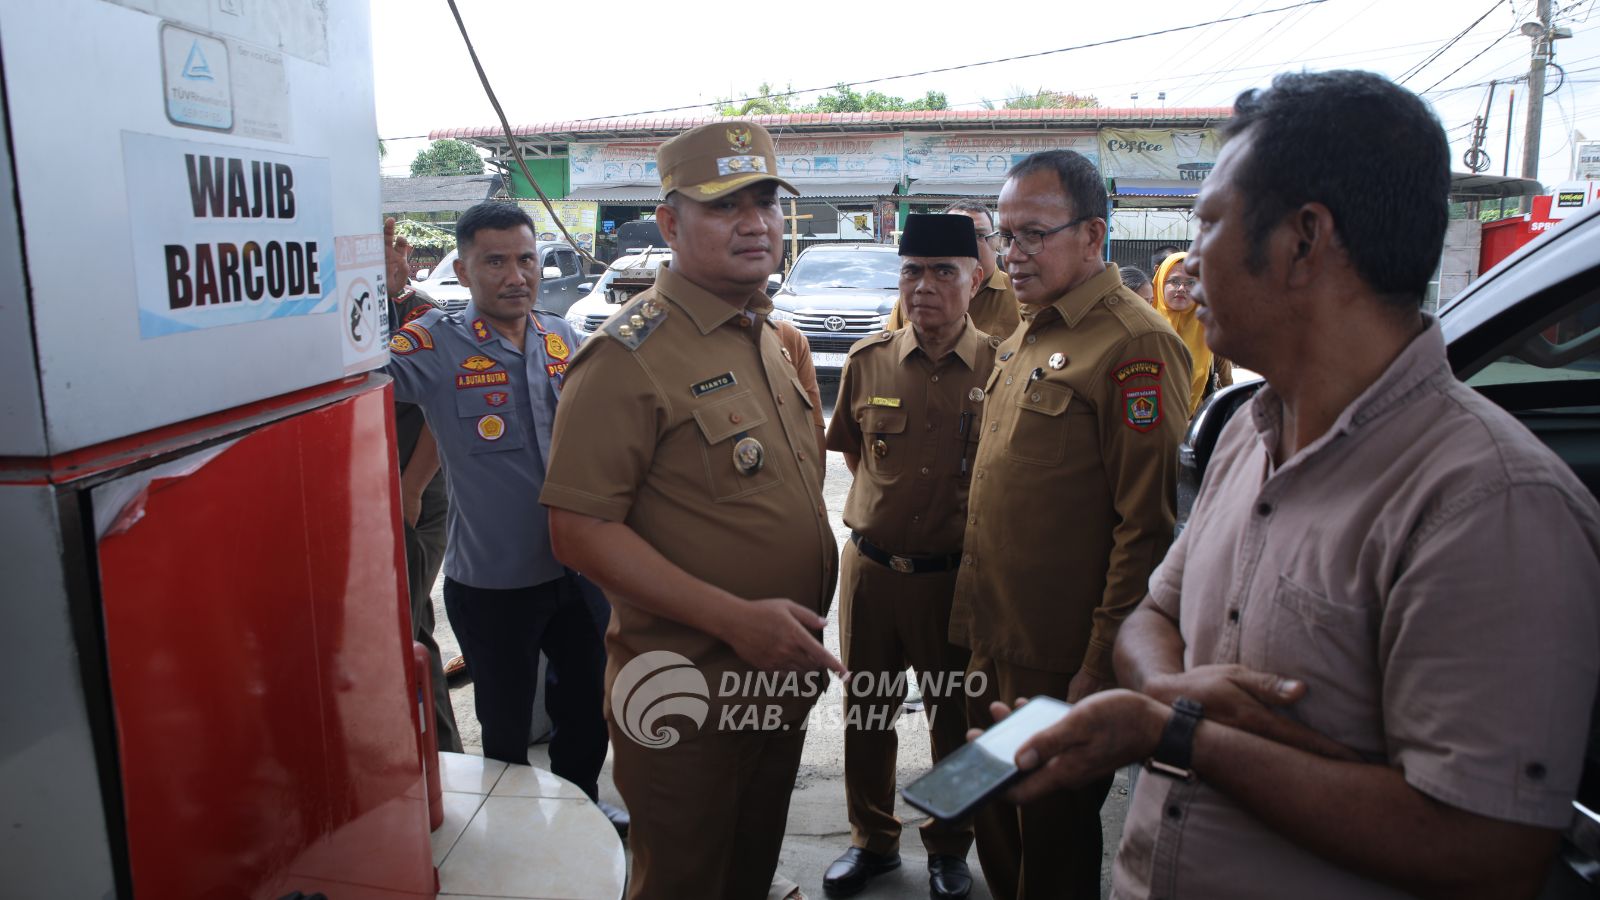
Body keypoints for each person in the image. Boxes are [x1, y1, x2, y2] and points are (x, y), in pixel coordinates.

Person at [985, 70, 1600, 900]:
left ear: (1305, 239)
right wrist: (1178, 695)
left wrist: (1177, 731)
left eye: (1207, 225)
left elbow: (1485, 848)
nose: (1185, 265)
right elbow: (1155, 615)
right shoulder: (1247, 431)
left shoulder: (1490, 503)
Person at [540, 120, 844, 900]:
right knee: (682, 883)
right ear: (671, 224)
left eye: (767, 201)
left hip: (773, 682)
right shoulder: (627, 357)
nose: (756, 222)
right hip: (684, 700)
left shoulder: (768, 336)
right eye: (725, 206)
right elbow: (577, 530)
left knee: (746, 872)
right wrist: (734, 619)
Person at [947, 149, 1191, 900]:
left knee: (1052, 839)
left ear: (1092, 236)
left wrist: (1098, 663)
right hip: (992, 634)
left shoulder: (1135, 346)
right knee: (990, 813)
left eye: (1032, 236)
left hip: (1059, 657)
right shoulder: (1027, 332)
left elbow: (1145, 527)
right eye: (1004, 235)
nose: (1012, 256)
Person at [384, 202, 625, 833]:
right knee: (506, 723)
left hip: (578, 573)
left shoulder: (561, 337)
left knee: (583, 708)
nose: (516, 275)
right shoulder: (433, 342)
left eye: (526, 259)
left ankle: (579, 814)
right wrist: (374, 298)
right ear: (462, 271)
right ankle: (515, 833)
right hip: (494, 581)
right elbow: (360, 375)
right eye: (495, 261)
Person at [821, 214, 999, 900]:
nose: (924, 287)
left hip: (953, 581)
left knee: (957, 721)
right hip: (870, 572)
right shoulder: (868, 361)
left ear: (975, 280)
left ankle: (950, 848)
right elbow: (854, 452)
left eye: (943, 272)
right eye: (912, 272)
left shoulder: (1003, 368)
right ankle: (872, 840)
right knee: (867, 713)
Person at [384, 218, 462, 753]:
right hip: (374, 488)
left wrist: (410, 488)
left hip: (418, 490)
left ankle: (444, 755)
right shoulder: (351, 312)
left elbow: (443, 410)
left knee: (408, 626)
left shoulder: (422, 316)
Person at [887, 201, 1021, 340]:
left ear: (995, 241)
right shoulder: (916, 298)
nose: (967, 244)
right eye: (955, 236)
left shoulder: (1021, 297)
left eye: (978, 235)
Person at [1152, 252, 1232, 415]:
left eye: (1191, 283)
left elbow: (1227, 383)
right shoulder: (1141, 325)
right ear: (1160, 283)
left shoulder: (1211, 332)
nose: (1181, 289)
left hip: (1193, 425)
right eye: (1174, 281)